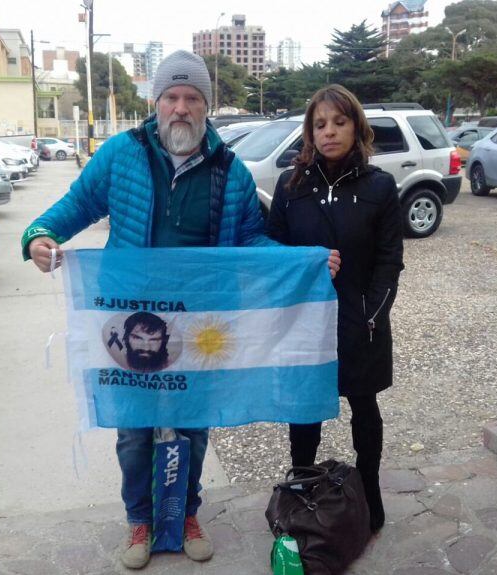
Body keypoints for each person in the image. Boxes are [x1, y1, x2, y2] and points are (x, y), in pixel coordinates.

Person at [22, 50, 339, 570]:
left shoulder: (229, 171)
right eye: (172, 96)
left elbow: (249, 240)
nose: (181, 108)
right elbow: (77, 204)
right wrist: (40, 235)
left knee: (193, 424)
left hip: (199, 322)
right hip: (128, 320)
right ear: (156, 102)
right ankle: (139, 521)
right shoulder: (121, 154)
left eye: (193, 98)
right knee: (134, 430)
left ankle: (187, 513)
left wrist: (301, 261)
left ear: (207, 107)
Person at [266, 84, 404, 535]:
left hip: (359, 320)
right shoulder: (292, 187)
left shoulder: (380, 186)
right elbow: (273, 251)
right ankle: (302, 486)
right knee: (305, 411)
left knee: (364, 408)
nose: (329, 132)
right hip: (306, 321)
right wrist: (306, 261)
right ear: (309, 132)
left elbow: (389, 258)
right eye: (320, 124)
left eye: (339, 122)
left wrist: (373, 313)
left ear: (356, 127)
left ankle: (370, 491)